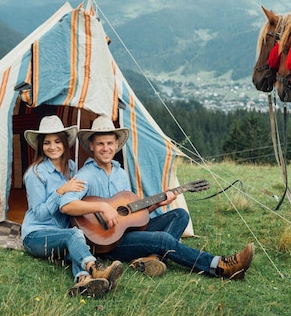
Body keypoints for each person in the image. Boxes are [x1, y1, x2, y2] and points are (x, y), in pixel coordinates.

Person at [60, 115, 254, 280]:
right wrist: (102, 207)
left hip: (126, 232)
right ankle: (219, 266)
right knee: (162, 239)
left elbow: (130, 214)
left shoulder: (120, 173)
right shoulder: (86, 174)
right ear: (92, 146)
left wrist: (158, 204)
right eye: (100, 144)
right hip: (108, 243)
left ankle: (151, 258)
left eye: (110, 143)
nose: (105, 148)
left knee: (179, 215)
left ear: (117, 144)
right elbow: (66, 205)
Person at [20, 115, 124, 298]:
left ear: (65, 143)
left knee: (77, 242)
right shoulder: (35, 173)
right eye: (47, 143)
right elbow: (40, 214)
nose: (53, 147)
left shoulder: (72, 167)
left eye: (57, 141)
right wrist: (60, 192)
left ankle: (83, 281)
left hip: (63, 235)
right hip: (36, 235)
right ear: (40, 146)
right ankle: (96, 270)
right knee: (74, 235)